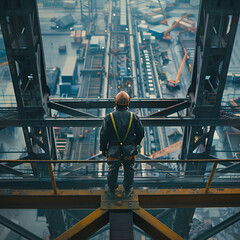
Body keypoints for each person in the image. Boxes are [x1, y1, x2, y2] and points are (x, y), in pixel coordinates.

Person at [100, 91, 144, 198]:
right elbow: (141, 132)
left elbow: (103, 135)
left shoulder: (109, 117)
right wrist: (136, 143)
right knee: (129, 168)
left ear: (116, 102)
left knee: (113, 168)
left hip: (113, 149)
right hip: (129, 149)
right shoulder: (134, 117)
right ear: (128, 103)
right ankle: (128, 188)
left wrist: (103, 149)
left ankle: (111, 189)